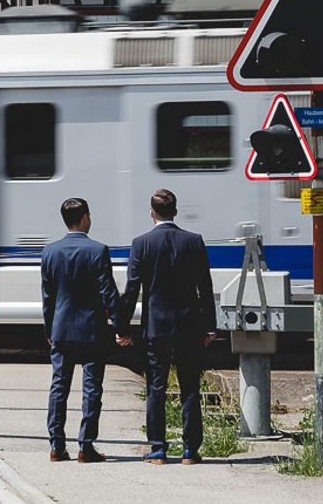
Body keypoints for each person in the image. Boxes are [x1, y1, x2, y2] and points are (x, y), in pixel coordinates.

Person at [120, 189, 217, 465]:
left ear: (152, 213)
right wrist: (210, 326)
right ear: (175, 211)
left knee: (156, 388)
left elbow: (131, 290)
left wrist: (122, 327)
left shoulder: (141, 243)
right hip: (189, 326)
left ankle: (158, 449)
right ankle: (190, 451)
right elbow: (205, 288)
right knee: (190, 387)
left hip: (156, 328)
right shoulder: (194, 241)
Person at [41, 198, 125, 464]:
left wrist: (49, 328)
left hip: (62, 329)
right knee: (91, 389)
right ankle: (85, 447)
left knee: (58, 387)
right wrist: (121, 328)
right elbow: (109, 293)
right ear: (85, 218)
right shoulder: (98, 250)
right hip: (92, 331)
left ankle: (56, 446)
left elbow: (48, 297)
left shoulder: (50, 252)